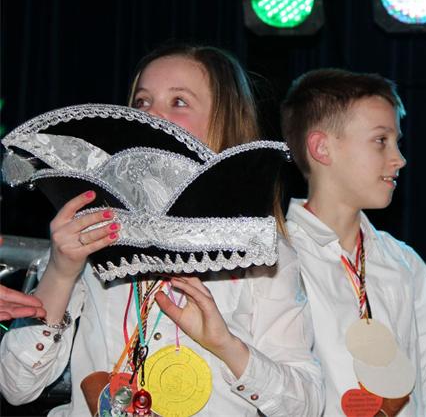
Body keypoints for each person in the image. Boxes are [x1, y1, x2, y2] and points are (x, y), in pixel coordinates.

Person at [0, 43, 324, 416]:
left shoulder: (263, 251)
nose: (152, 115)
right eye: (142, 102)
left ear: (223, 123)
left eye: (179, 102)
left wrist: (226, 345)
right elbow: (16, 386)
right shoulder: (89, 232)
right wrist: (61, 271)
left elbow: (307, 405)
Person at [280, 68, 426, 416]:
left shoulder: (403, 262)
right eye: (381, 140)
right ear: (322, 147)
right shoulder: (276, 258)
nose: (400, 158)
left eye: (397, 141)